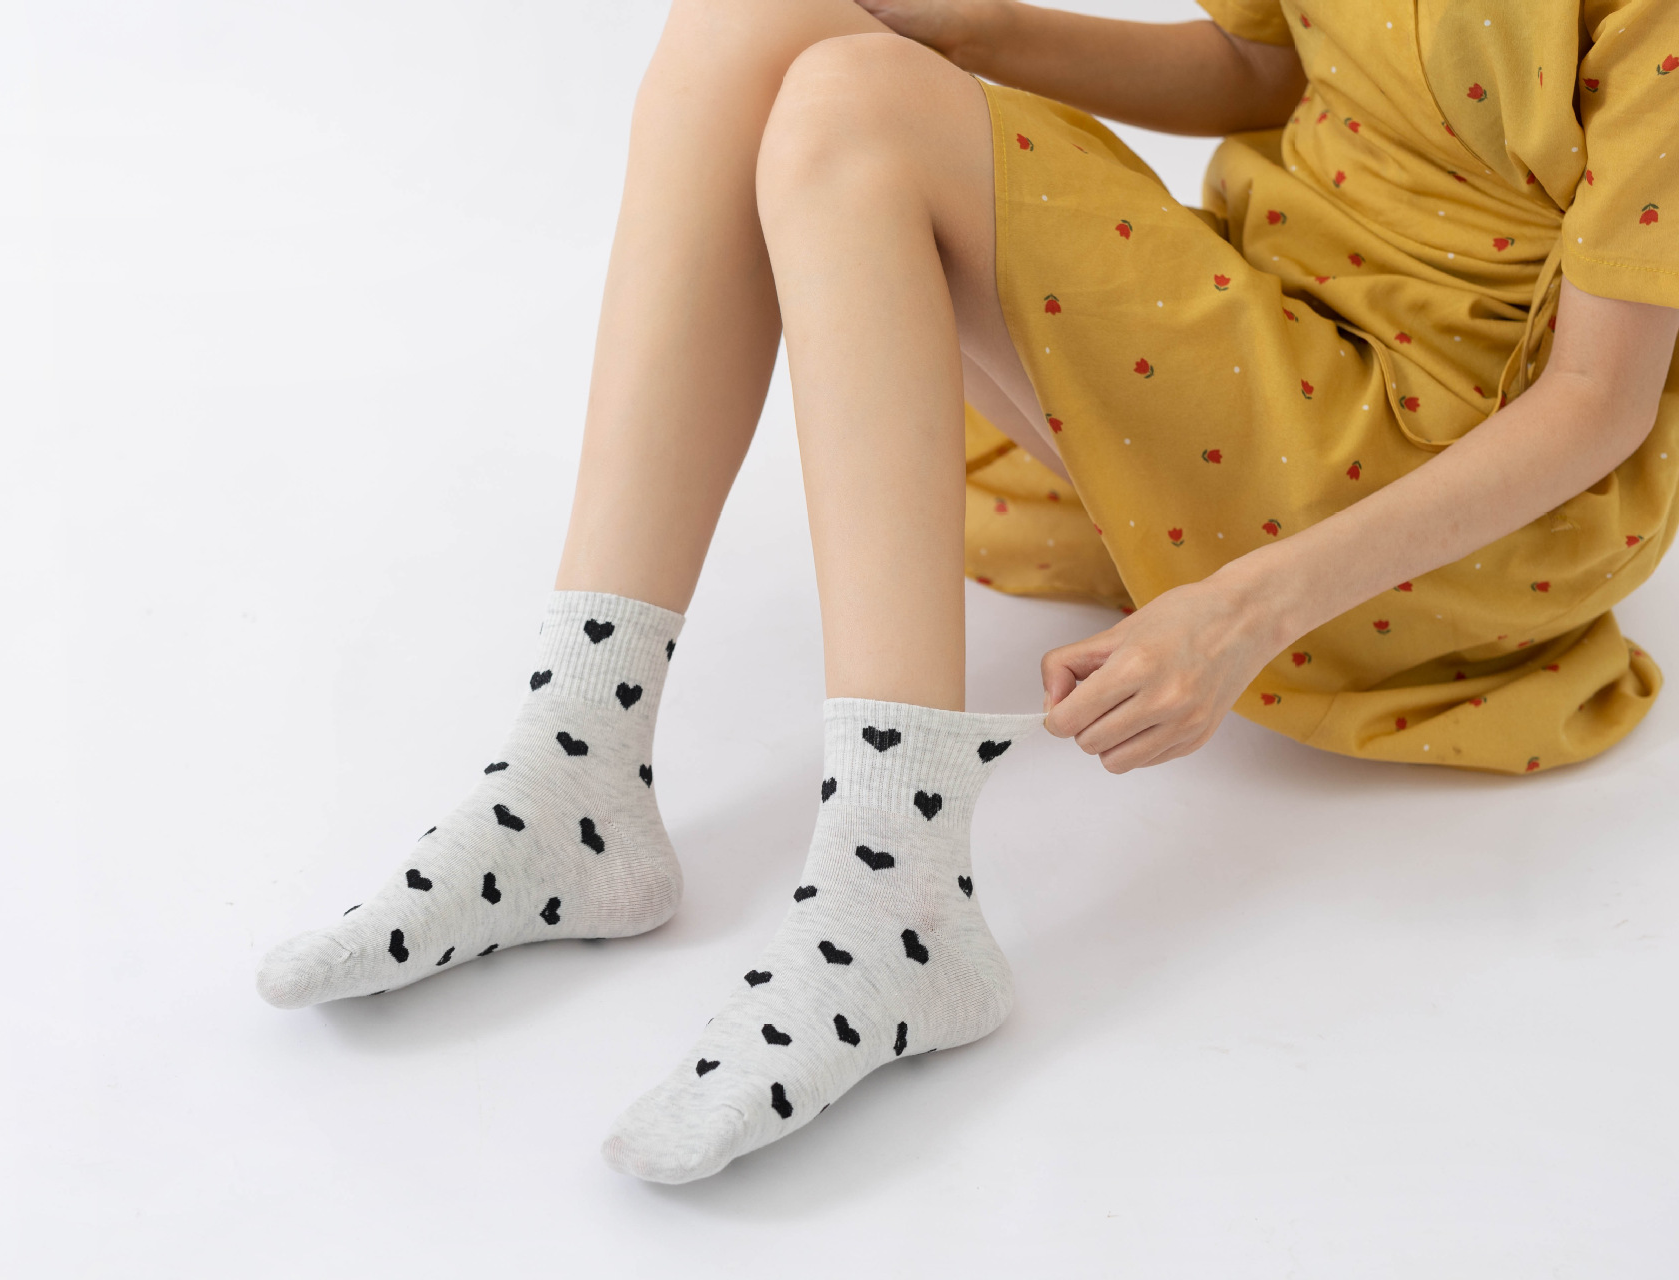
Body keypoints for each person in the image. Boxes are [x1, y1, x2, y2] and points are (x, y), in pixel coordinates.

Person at [256, 0, 1679, 1183]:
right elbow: (1269, 67)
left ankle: (895, 887)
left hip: (1441, 497)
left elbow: (1597, 406)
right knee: (760, 18)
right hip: (1269, 345)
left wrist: (1244, 608)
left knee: (855, 110)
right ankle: (575, 762)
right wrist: (979, 26)